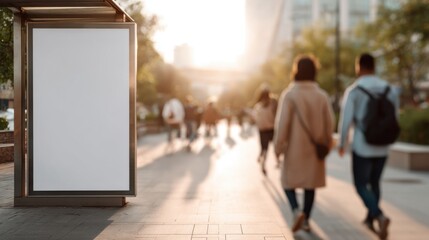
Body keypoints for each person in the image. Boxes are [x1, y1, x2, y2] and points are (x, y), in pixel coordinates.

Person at [338, 53, 399, 239]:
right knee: (375, 183)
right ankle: (370, 218)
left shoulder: (355, 90)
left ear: (359, 67)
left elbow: (346, 120)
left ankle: (379, 215)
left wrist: (342, 143)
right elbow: (394, 118)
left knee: (360, 184)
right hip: (383, 146)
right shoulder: (389, 89)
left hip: (362, 145)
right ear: (374, 66)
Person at [274, 55, 334, 233]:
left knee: (286, 182)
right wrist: (327, 145)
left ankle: (295, 210)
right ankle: (306, 218)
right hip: (316, 150)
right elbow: (330, 124)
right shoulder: (322, 95)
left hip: (294, 149)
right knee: (310, 185)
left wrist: (278, 148)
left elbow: (282, 125)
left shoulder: (290, 95)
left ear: (296, 71)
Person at [250, 87, 279, 175]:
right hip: (271, 128)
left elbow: (254, 118)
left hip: (262, 129)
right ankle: (278, 161)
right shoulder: (272, 104)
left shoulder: (258, 106)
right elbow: (277, 115)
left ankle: (263, 163)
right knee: (276, 145)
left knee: (264, 148)